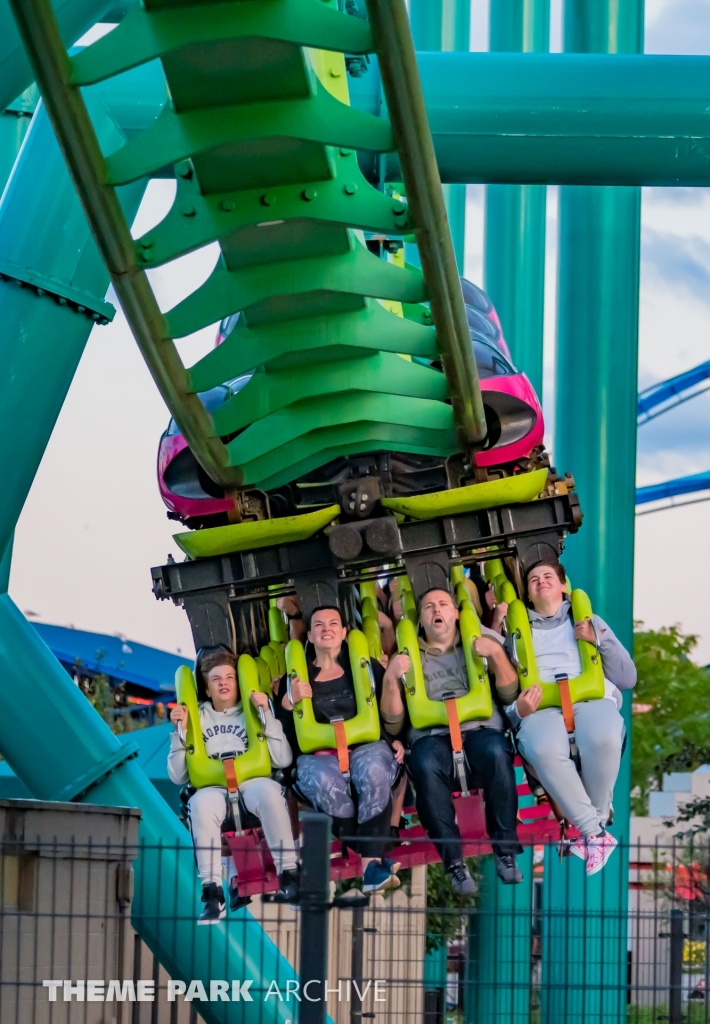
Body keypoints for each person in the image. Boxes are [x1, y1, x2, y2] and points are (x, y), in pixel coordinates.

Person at [380, 587, 523, 895]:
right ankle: (455, 864)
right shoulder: (407, 656)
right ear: (421, 619)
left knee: (498, 752)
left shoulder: (480, 641)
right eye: (429, 606)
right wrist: (392, 678)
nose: (436, 610)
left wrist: (497, 654)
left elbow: (510, 694)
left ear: (457, 613)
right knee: (424, 762)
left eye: (443, 604)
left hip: (480, 732)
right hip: (433, 738)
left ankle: (506, 852)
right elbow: (392, 722)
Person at [502, 560, 636, 876]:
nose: (541, 581)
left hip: (590, 698)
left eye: (549, 576)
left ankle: (595, 829)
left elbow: (627, 678)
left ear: (564, 586)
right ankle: (596, 832)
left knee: (603, 733)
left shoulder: (589, 620)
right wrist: (517, 710)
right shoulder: (518, 634)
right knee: (542, 746)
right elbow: (505, 699)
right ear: (528, 594)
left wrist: (599, 638)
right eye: (533, 579)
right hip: (542, 708)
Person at [278, 605, 404, 893]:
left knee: (374, 770)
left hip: (364, 748)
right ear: (309, 634)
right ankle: (372, 863)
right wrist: (289, 700)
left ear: (344, 632)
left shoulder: (365, 668)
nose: (326, 629)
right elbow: (282, 731)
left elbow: (381, 709)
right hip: (320, 757)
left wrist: (394, 739)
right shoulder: (296, 678)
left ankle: (371, 866)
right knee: (324, 782)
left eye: (333, 623)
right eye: (319, 625)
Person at [168, 649, 298, 924]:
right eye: (216, 679)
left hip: (252, 781)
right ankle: (212, 892)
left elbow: (283, 759)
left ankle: (290, 874)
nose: (224, 683)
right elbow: (178, 776)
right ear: (206, 687)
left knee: (270, 794)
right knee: (199, 805)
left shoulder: (251, 711)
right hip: (212, 786)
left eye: (229, 677)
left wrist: (266, 714)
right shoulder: (198, 717)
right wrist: (179, 733)